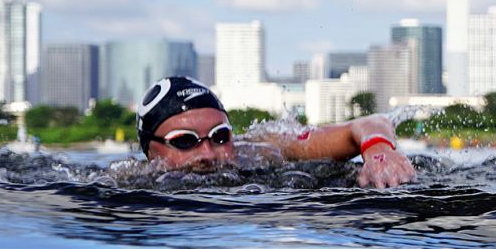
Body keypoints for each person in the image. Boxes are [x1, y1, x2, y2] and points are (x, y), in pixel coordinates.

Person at [135, 76, 416, 188]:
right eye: (185, 141)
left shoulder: (265, 148)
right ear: (150, 151)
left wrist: (378, 150)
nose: (207, 154)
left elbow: (367, 123)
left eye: (221, 136)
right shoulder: (122, 184)